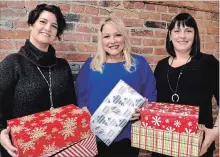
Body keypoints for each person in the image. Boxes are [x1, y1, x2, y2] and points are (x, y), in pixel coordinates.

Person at [0, 4, 77, 157]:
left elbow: (71, 106)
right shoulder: (13, 63)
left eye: (54, 26)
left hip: (60, 148)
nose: (48, 28)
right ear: (31, 24)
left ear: (57, 33)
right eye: (42, 22)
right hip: (21, 149)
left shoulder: (62, 66)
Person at [75, 16, 157, 157]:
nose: (112, 41)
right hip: (95, 138)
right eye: (107, 36)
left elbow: (151, 95)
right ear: (101, 40)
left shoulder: (139, 64)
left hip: (127, 137)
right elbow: (80, 98)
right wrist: (83, 111)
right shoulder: (90, 65)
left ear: (124, 37)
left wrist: (143, 110)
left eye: (117, 35)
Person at [153, 13, 219, 157]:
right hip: (163, 145)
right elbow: (154, 103)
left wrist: (216, 130)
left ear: (195, 35)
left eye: (188, 31)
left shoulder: (208, 63)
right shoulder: (161, 66)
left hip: (197, 146)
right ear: (170, 35)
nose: (182, 36)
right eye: (177, 31)